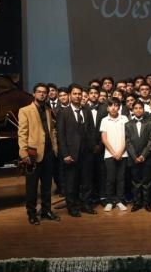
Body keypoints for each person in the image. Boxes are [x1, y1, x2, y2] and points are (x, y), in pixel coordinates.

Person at [18, 83, 60, 225]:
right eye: (39, 92)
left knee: (47, 185)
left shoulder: (48, 109)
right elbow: (22, 134)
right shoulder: (25, 110)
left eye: (44, 92)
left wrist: (55, 148)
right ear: (34, 93)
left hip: (48, 153)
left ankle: (46, 210)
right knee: (31, 186)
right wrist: (24, 154)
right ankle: (31, 213)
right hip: (33, 153)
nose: (42, 94)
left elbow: (51, 131)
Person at [57, 83, 97, 217]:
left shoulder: (87, 110)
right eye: (75, 93)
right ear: (69, 95)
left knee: (87, 181)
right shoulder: (63, 112)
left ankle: (86, 205)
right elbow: (61, 135)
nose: (78, 96)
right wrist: (65, 154)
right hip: (71, 154)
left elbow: (92, 130)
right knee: (71, 183)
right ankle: (72, 207)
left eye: (80, 94)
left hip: (87, 153)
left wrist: (92, 147)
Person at [125, 100, 151, 212]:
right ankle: (137, 203)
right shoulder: (128, 124)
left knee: (147, 182)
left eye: (140, 108)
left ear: (143, 110)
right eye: (136, 108)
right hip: (133, 159)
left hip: (146, 158)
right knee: (136, 182)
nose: (138, 110)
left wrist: (143, 156)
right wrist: (135, 157)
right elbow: (128, 142)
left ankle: (146, 203)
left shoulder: (149, 123)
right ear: (133, 110)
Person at [100, 97, 129, 212]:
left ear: (119, 107)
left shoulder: (124, 118)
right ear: (107, 107)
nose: (113, 107)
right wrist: (114, 153)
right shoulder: (104, 120)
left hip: (123, 153)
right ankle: (109, 201)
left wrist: (120, 151)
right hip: (109, 154)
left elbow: (127, 137)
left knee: (121, 178)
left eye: (116, 105)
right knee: (110, 178)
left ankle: (120, 201)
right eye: (111, 105)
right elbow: (104, 139)